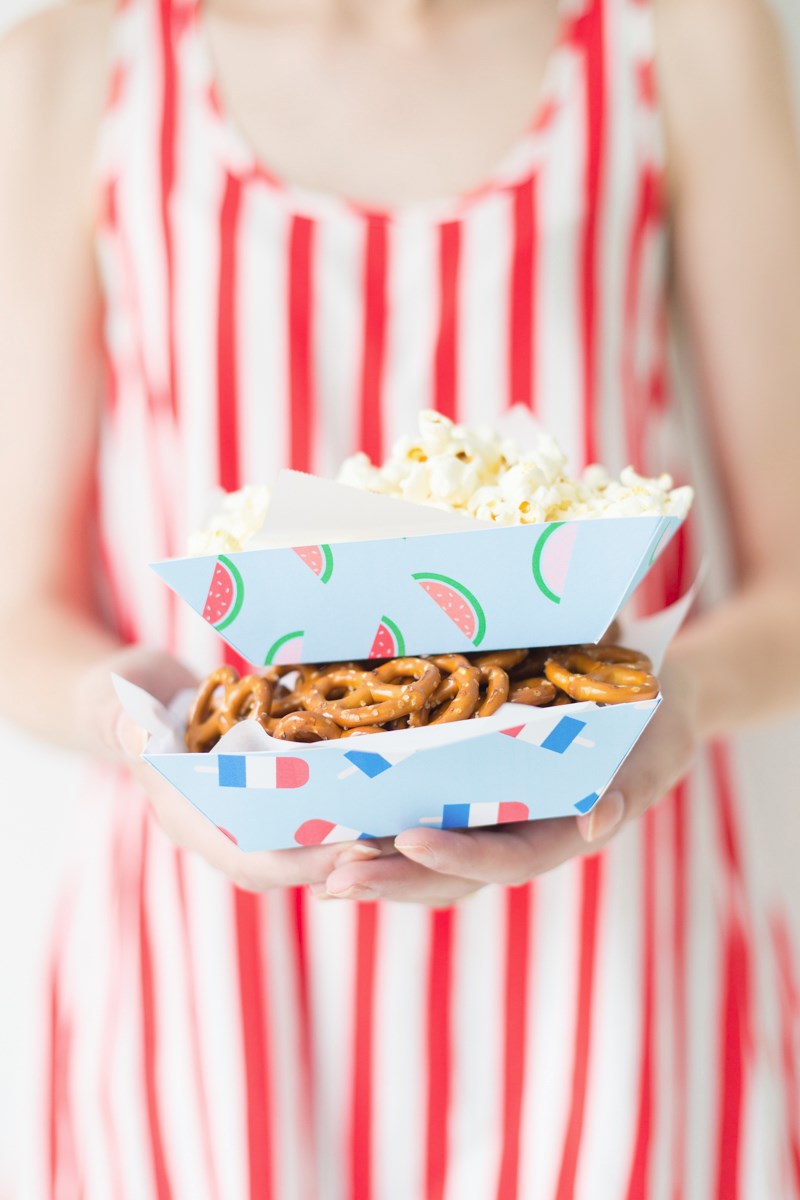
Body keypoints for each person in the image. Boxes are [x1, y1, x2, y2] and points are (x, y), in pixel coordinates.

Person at [2, 0, 799, 1194]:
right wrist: (146, 729)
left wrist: (663, 706)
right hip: (209, 987)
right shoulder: (79, 61)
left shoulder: (672, 35)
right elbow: (20, 608)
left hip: (613, 960)